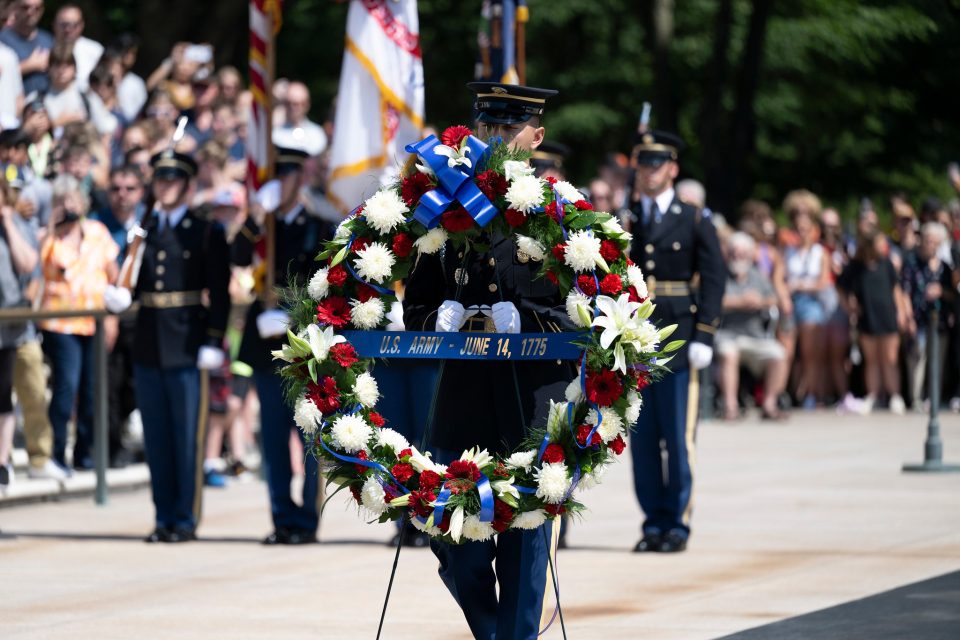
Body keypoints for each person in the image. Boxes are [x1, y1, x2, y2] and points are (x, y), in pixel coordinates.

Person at [403, 81, 572, 638]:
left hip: (530, 391)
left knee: (525, 541)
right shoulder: (445, 207)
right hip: (465, 391)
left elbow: (584, 309)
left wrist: (526, 319)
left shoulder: (559, 212)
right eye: (488, 126)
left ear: (537, 136)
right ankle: (494, 631)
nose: (497, 138)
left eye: (511, 127)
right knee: (453, 536)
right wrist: (439, 319)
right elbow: (419, 303)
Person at [104, 149, 231, 543]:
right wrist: (123, 296)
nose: (165, 186)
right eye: (160, 180)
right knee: (157, 437)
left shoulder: (204, 229)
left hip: (188, 342)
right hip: (148, 341)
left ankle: (184, 517)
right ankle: (163, 516)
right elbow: (135, 279)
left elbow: (221, 293)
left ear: (188, 185)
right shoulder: (144, 230)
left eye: (173, 180)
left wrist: (213, 338)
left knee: (186, 436)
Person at [231, 139, 335, 545]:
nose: (281, 183)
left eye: (287, 175)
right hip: (265, 345)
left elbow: (325, 287)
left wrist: (293, 316)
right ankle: (280, 518)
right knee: (273, 440)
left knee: (308, 438)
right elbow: (238, 255)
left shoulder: (316, 226)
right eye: (275, 176)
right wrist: (255, 216)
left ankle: (306, 521)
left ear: (300, 179)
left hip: (304, 348)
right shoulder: (262, 226)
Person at [626, 129, 724, 553]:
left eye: (658, 164)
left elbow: (715, 276)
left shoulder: (693, 217)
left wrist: (705, 332)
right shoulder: (628, 215)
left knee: (679, 438)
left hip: (681, 337)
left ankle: (678, 524)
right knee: (644, 438)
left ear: (673, 169)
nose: (650, 172)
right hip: (634, 338)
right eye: (644, 164)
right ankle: (653, 522)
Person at [37, 174, 118, 471]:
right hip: (60, 324)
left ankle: (85, 451)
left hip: (94, 320)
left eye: (73, 199)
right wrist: (51, 228)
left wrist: (113, 315)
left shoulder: (97, 231)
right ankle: (56, 451)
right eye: (62, 201)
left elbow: (113, 271)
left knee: (92, 390)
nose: (69, 206)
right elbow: (38, 267)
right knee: (66, 386)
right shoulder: (49, 238)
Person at [90, 165, 145, 466]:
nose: (122, 195)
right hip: (107, 313)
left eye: (129, 188)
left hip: (142, 315)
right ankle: (110, 447)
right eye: (116, 188)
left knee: (137, 384)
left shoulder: (148, 222)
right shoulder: (97, 224)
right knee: (109, 381)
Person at [716, 232, 788, 420]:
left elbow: (774, 298)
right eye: (733, 253)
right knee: (728, 353)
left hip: (756, 337)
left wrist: (760, 301)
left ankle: (770, 404)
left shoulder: (758, 276)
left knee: (779, 355)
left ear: (749, 255)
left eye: (742, 254)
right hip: (728, 335)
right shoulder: (720, 275)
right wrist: (739, 302)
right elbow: (713, 301)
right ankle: (730, 406)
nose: (737, 258)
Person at [837, 228, 909, 414]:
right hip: (867, 316)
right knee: (872, 360)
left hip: (888, 316)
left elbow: (896, 289)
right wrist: (849, 307)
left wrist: (901, 312)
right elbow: (840, 288)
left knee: (890, 359)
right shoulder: (855, 266)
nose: (883, 246)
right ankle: (874, 394)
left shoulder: (886, 264)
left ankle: (894, 395)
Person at [0, 176, 39, 490]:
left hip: (8, 326)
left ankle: (2, 459)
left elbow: (27, 265)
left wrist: (8, 224)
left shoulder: (18, 225)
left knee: (3, 394)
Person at [782, 191, 832, 408]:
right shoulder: (788, 252)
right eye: (798, 229)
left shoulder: (821, 252)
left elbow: (823, 282)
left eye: (806, 229)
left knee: (810, 353)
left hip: (811, 302)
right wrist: (785, 294)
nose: (802, 233)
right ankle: (787, 393)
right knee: (788, 351)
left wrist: (801, 285)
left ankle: (811, 393)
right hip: (791, 302)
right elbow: (780, 278)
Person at [900, 222, 954, 410]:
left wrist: (941, 291)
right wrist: (908, 318)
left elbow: (952, 294)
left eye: (935, 242)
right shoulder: (912, 263)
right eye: (928, 241)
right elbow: (904, 292)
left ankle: (934, 399)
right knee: (916, 359)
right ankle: (915, 399)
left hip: (939, 321)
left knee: (937, 362)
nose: (931, 245)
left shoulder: (945, 267)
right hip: (918, 319)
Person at [0, 0, 53, 99]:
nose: (30, 12)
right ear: (15, 8)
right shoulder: (3, 38)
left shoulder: (48, 40)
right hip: (12, 105)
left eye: (36, 8)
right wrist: (29, 65)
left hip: (45, 106)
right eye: (25, 7)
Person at [51, 3, 102, 92]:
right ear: (54, 24)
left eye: (74, 25)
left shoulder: (95, 50)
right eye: (64, 24)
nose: (68, 29)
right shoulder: (46, 48)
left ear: (82, 25)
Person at [274, 81, 327, 156]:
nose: (292, 108)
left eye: (297, 104)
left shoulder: (317, 134)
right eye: (289, 103)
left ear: (307, 104)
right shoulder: (275, 133)